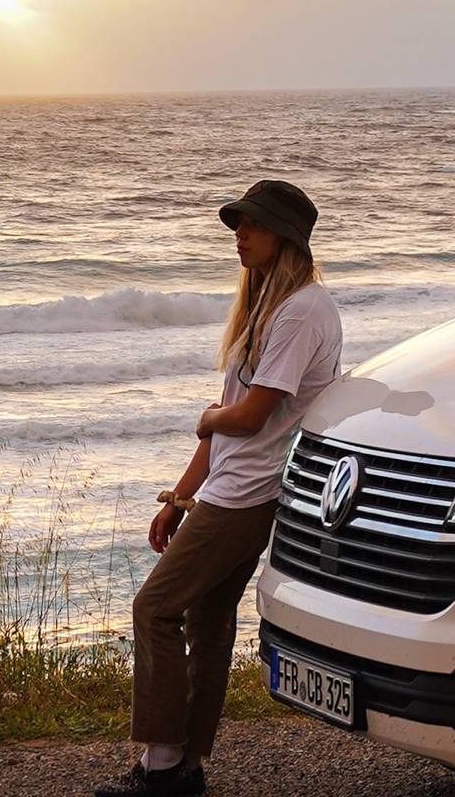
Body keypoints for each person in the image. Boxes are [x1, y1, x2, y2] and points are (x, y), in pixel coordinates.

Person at [98, 179, 343, 797]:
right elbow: (231, 413)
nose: (240, 235)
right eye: (238, 224)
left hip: (251, 495)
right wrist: (181, 497)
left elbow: (246, 416)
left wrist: (207, 418)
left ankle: (160, 766)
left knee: (153, 607)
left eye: (251, 226)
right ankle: (185, 769)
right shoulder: (263, 306)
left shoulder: (303, 310)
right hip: (228, 488)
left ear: (283, 235)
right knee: (206, 622)